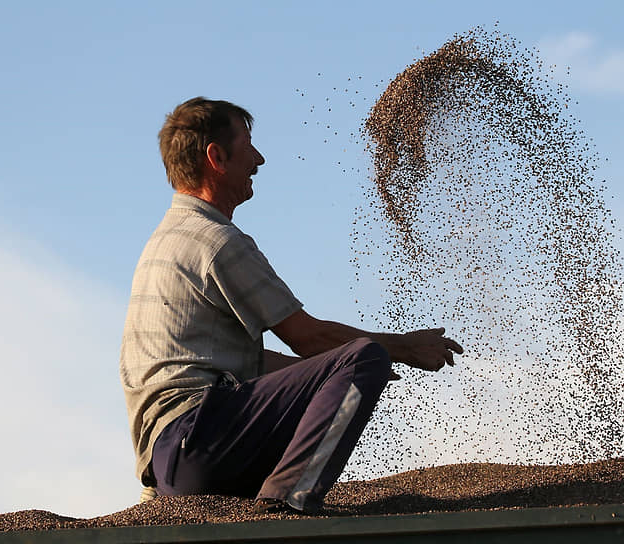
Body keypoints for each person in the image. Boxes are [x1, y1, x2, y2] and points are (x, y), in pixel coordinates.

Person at [119, 97, 463, 514]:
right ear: (217, 157)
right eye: (248, 144)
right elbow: (309, 337)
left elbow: (237, 363)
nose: (259, 159)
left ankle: (273, 493)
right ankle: (289, 500)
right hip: (200, 440)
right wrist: (397, 349)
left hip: (172, 464)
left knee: (350, 363)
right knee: (363, 357)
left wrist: (326, 377)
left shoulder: (165, 242)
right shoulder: (215, 242)